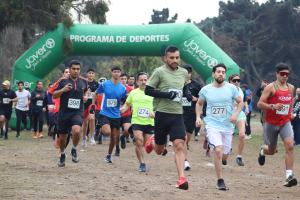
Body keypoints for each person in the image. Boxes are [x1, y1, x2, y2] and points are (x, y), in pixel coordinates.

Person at [144, 45, 192, 190]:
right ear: (165, 58)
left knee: (179, 145)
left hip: (177, 115)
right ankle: (153, 143)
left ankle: (181, 178)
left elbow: (184, 87)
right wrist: (166, 95)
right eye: (172, 58)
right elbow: (148, 90)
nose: (175, 60)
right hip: (162, 114)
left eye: (177, 57)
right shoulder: (159, 72)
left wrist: (187, 93)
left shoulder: (183, 72)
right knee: (159, 150)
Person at [195, 63, 243, 190]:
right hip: (211, 125)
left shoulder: (231, 88)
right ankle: (220, 180)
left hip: (227, 126)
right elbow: (199, 103)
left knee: (224, 155)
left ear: (225, 75)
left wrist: (236, 114)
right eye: (218, 72)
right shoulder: (206, 89)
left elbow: (240, 102)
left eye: (223, 72)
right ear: (213, 74)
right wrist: (198, 117)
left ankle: (222, 159)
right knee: (217, 150)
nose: (221, 74)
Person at [257, 63, 297, 187]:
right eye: (282, 74)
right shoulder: (271, 87)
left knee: (290, 147)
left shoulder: (291, 88)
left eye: (287, 74)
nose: (285, 76)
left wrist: (290, 113)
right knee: (272, 151)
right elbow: (259, 104)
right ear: (277, 74)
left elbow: (289, 102)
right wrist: (272, 106)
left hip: (285, 122)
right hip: (271, 124)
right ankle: (263, 151)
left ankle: (288, 177)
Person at [53, 60, 88, 167]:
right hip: (64, 112)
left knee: (77, 130)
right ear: (70, 69)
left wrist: (86, 96)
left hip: (77, 111)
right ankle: (62, 154)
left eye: (78, 69)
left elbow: (86, 90)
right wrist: (63, 90)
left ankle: (74, 149)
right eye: (73, 69)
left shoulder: (83, 81)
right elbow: (54, 95)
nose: (76, 71)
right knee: (63, 136)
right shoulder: (62, 81)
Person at [90, 66, 127, 163]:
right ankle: (100, 131)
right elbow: (95, 94)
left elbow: (123, 100)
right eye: (114, 72)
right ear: (111, 73)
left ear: (120, 73)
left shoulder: (123, 88)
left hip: (116, 115)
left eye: (118, 72)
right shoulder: (104, 84)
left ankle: (109, 155)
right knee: (107, 132)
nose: (116, 73)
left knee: (114, 137)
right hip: (105, 113)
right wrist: (93, 105)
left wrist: (124, 104)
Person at [120, 72, 154, 172]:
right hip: (136, 121)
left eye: (145, 80)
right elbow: (127, 103)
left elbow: (159, 106)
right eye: (141, 80)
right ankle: (142, 163)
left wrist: (155, 113)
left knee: (148, 145)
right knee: (139, 142)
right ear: (137, 82)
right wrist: (124, 108)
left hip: (149, 122)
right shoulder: (133, 93)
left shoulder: (153, 92)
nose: (143, 82)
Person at [181, 64, 201, 170]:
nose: (187, 75)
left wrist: (196, 99)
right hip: (180, 113)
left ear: (190, 73)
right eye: (185, 72)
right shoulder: (178, 83)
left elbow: (201, 100)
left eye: (188, 72)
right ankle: (185, 161)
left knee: (187, 137)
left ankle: (185, 146)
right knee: (183, 137)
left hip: (192, 113)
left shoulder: (196, 85)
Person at [228, 74, 249, 166]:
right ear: (230, 81)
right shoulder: (226, 90)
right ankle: (227, 150)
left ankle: (239, 157)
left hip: (239, 113)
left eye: (238, 80)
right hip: (228, 114)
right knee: (228, 135)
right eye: (234, 80)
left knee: (242, 135)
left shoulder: (241, 91)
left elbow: (244, 100)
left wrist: (246, 107)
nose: (236, 82)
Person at [114, 73, 133, 156]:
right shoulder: (115, 88)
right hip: (116, 114)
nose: (123, 80)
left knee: (127, 130)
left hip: (126, 114)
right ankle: (117, 148)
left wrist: (132, 106)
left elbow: (132, 99)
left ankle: (123, 137)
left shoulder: (130, 89)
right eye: (122, 79)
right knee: (116, 133)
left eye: (125, 79)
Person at [82, 68, 100, 147]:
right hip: (85, 103)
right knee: (85, 123)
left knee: (92, 119)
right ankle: (84, 138)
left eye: (92, 73)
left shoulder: (96, 84)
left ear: (94, 74)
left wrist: (95, 94)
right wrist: (86, 93)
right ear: (87, 74)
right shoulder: (83, 82)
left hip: (92, 104)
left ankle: (92, 137)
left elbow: (99, 93)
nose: (91, 74)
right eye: (89, 73)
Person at [95, 77, 106, 144]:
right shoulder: (97, 91)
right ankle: (97, 131)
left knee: (104, 124)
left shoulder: (107, 91)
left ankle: (100, 136)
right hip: (98, 109)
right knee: (98, 123)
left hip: (105, 110)